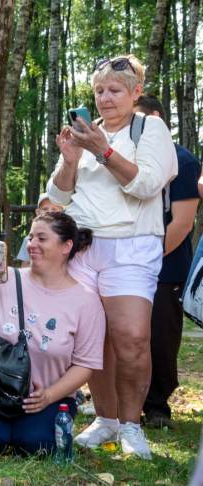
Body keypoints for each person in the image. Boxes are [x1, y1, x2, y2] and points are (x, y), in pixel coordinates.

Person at [48, 55, 177, 458]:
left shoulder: (149, 129)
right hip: (84, 243)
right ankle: (105, 420)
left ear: (136, 93)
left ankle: (131, 424)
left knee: (133, 338)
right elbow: (58, 197)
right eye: (100, 90)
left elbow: (146, 185)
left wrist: (103, 151)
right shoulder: (87, 132)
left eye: (115, 90)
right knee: (91, 339)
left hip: (133, 244)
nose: (106, 98)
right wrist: (71, 160)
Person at [0, 211, 105, 454]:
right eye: (30, 237)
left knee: (39, 445)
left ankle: (27, 428)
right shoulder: (6, 280)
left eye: (41, 238)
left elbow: (85, 364)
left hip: (47, 397)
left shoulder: (86, 302)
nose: (31, 244)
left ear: (66, 246)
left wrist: (49, 395)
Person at [133, 95, 201, 428]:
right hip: (126, 266)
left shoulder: (183, 160)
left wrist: (145, 259)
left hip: (165, 267)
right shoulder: (128, 159)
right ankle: (122, 402)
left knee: (160, 336)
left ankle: (157, 407)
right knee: (127, 336)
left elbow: (182, 223)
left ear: (156, 118)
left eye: (138, 119)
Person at [16, 193, 64, 267]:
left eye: (54, 209)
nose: (49, 212)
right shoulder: (29, 240)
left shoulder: (67, 239)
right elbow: (24, 267)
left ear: (62, 213)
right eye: (45, 209)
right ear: (37, 212)